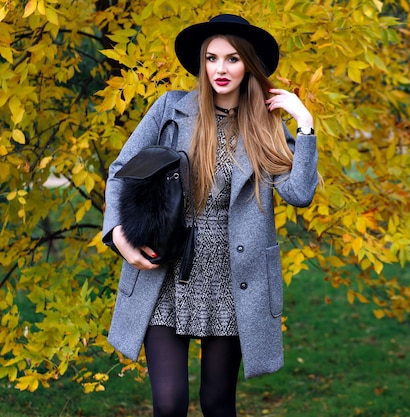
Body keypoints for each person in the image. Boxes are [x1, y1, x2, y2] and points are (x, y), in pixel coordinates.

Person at [102, 14, 319, 417]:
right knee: (169, 404)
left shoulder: (267, 125)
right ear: (202, 63)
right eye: (212, 58)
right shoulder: (170, 109)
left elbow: (299, 193)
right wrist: (117, 233)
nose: (221, 69)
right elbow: (121, 171)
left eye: (233, 59)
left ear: (248, 65)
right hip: (165, 266)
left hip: (235, 276)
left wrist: (304, 125)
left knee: (218, 404)